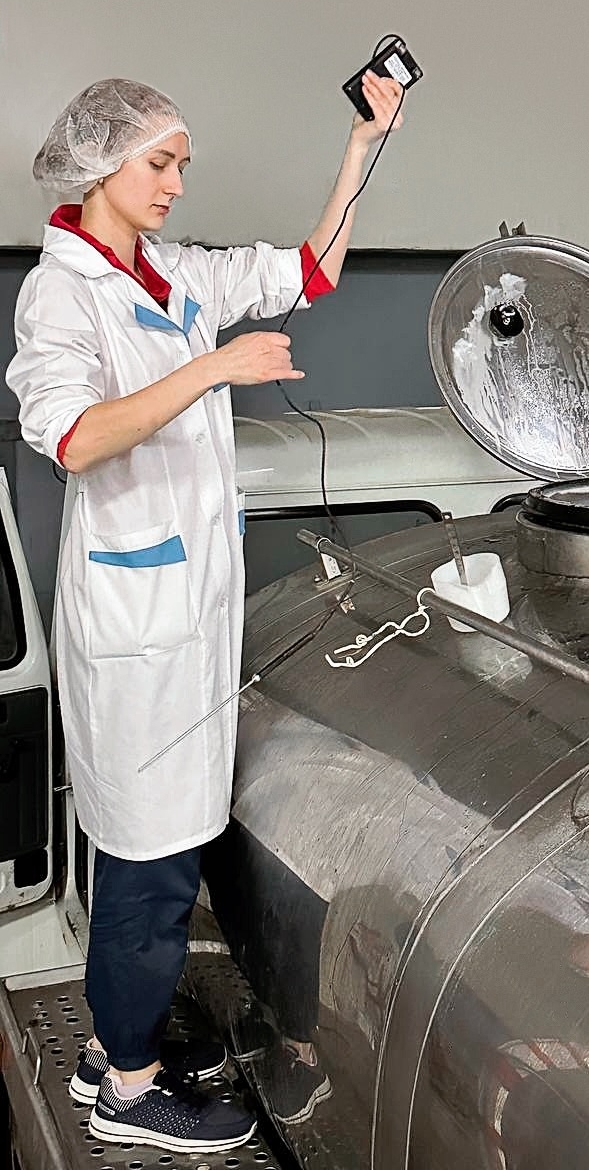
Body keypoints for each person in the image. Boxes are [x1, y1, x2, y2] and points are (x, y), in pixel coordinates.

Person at [6, 72, 404, 1155]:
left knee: (167, 846)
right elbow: (75, 436)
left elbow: (309, 271)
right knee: (149, 861)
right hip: (137, 626)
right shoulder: (61, 294)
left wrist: (364, 144)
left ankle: (111, 1047)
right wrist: (214, 366)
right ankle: (130, 1093)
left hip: (186, 619)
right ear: (102, 165)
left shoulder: (174, 271)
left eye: (182, 164)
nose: (178, 183)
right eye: (160, 163)